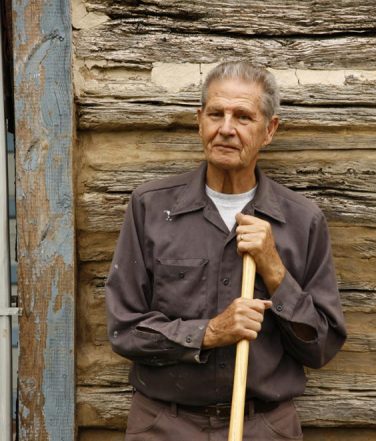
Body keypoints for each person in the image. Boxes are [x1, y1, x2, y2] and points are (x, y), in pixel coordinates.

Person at [105, 61, 347, 441]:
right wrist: (210, 332)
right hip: (165, 425)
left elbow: (322, 348)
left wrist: (274, 270)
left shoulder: (302, 221)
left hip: (264, 426)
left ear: (270, 130)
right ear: (199, 121)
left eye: (243, 116)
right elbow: (124, 329)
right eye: (216, 114)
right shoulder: (150, 208)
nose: (227, 129)